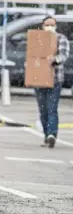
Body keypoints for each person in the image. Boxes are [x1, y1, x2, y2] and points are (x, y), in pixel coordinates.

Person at [34, 16, 70, 148]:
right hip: (39, 80)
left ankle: (52, 134)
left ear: (55, 26)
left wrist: (54, 60)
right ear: (42, 25)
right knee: (42, 109)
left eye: (51, 24)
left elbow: (64, 55)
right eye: (46, 24)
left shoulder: (61, 39)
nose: (49, 27)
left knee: (52, 108)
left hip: (55, 80)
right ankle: (46, 136)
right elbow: (32, 56)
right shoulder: (37, 39)